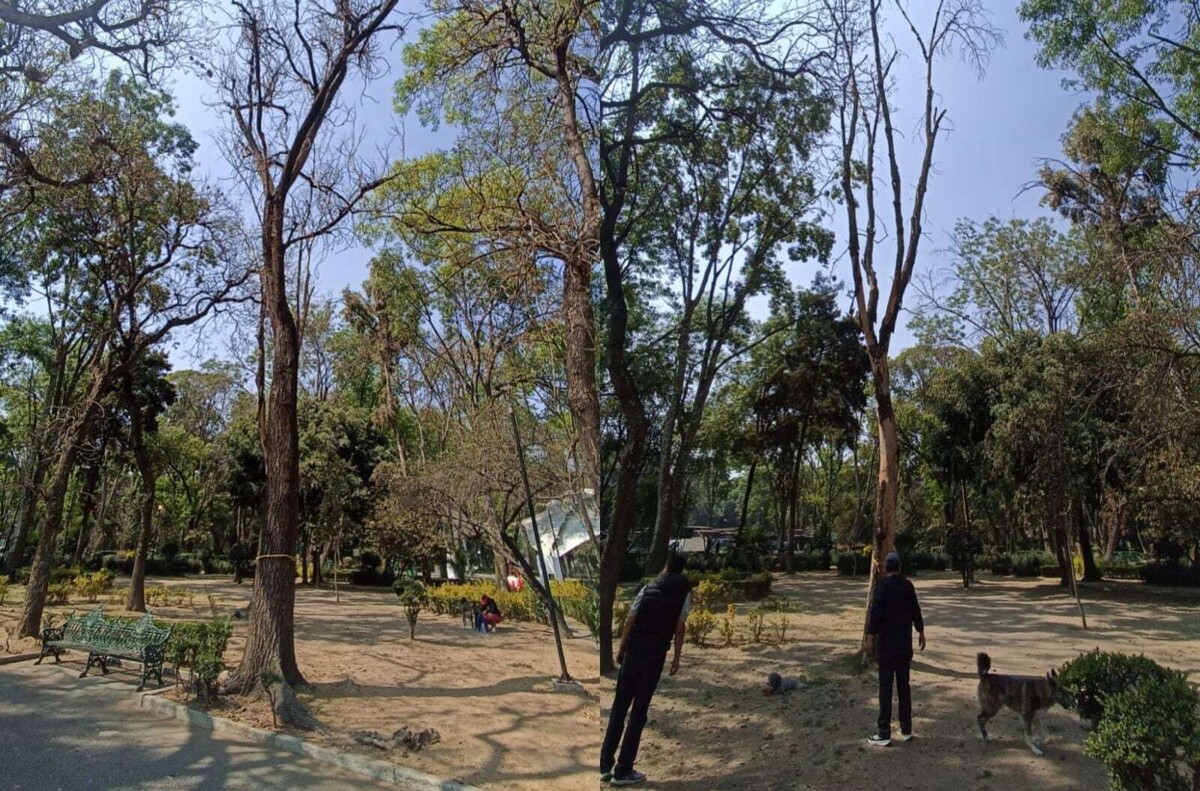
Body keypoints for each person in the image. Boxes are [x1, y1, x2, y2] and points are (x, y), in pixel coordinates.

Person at [600, 553, 691, 787]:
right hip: (655, 655)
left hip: (634, 652)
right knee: (638, 712)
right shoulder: (684, 592)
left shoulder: (647, 587)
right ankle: (623, 769)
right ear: (682, 570)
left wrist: (621, 648)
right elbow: (680, 626)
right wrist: (677, 658)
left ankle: (604, 763)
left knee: (619, 707)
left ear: (665, 566)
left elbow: (631, 618)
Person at [865, 551, 926, 747]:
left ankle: (884, 732)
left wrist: (869, 638)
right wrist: (921, 631)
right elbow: (916, 610)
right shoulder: (907, 586)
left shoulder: (882, 587)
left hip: (886, 647)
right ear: (900, 568)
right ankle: (906, 728)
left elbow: (875, 614)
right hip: (903, 646)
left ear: (886, 568)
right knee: (903, 687)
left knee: (885, 688)